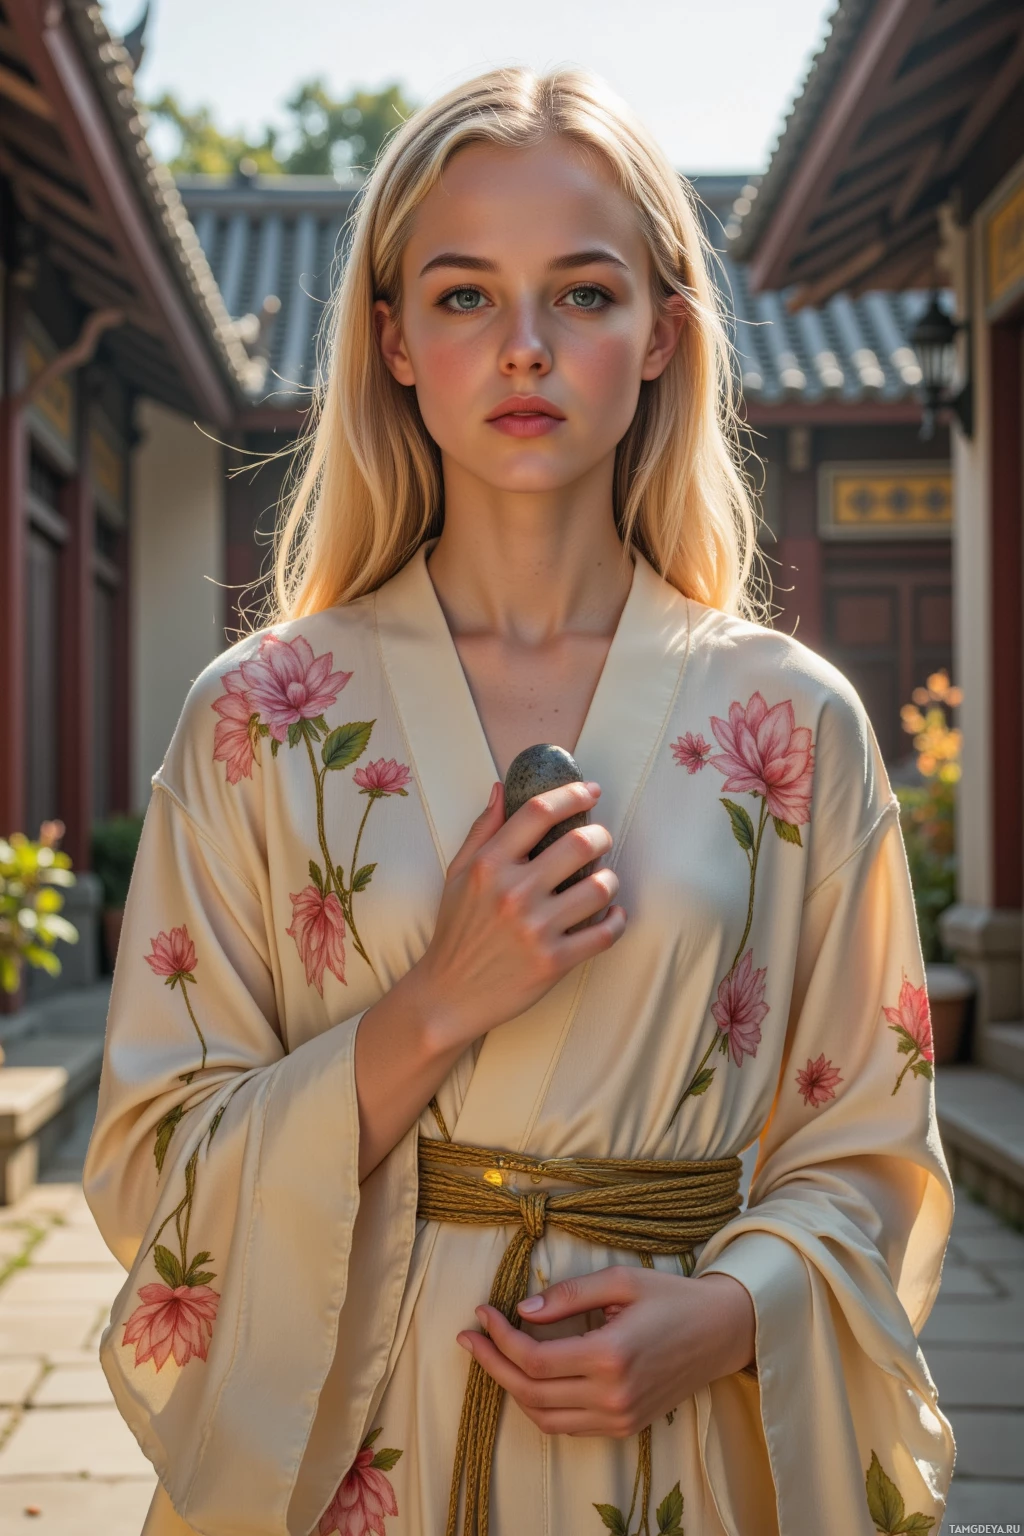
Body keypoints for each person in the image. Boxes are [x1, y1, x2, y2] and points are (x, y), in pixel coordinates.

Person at [85, 68, 954, 1536]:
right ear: (395, 342)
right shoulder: (255, 718)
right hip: (365, 1436)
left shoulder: (793, 722)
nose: (528, 348)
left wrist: (731, 1313)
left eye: (587, 295)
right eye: (468, 296)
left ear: (666, 336)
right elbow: (154, 1154)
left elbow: (868, 1141)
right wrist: (437, 1002)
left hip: (681, 1437)